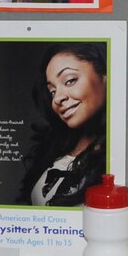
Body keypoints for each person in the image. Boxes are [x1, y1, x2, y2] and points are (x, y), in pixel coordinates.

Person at [16, 43, 108, 207]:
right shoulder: (55, 149)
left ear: (105, 76)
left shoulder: (119, 156)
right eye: (52, 91)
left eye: (70, 81)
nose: (57, 99)